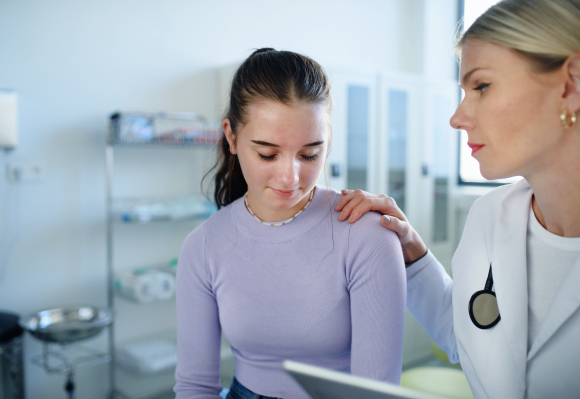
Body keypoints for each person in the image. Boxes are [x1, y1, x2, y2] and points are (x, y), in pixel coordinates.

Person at [336, 1, 580, 398]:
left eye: (481, 86)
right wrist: (412, 252)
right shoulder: (490, 215)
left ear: (570, 85)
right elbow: (469, 334)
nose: (457, 117)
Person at [174, 48, 406, 399]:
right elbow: (195, 386)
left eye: (309, 154)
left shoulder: (367, 235)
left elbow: (374, 392)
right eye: (267, 153)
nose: (290, 177)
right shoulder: (204, 245)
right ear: (232, 137)